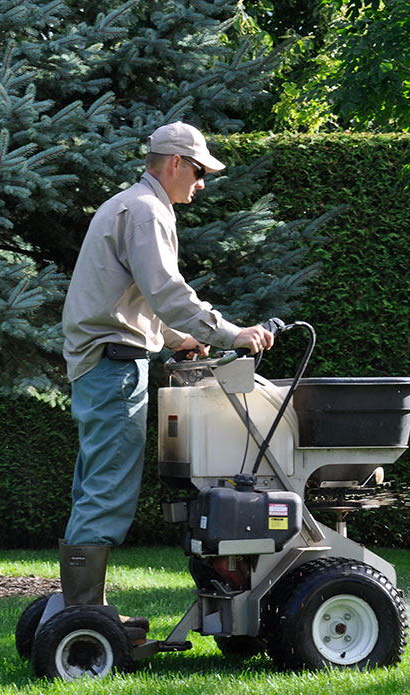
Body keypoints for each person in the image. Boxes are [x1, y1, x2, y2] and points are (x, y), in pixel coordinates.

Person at [57, 121, 274, 619]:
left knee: (94, 484)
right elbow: (168, 293)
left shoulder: (126, 205)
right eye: (199, 171)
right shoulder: (147, 211)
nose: (202, 184)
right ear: (175, 162)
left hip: (102, 362)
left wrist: (183, 339)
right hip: (113, 366)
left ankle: (82, 607)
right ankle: (84, 617)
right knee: (108, 490)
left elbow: (138, 300)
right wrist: (230, 333)